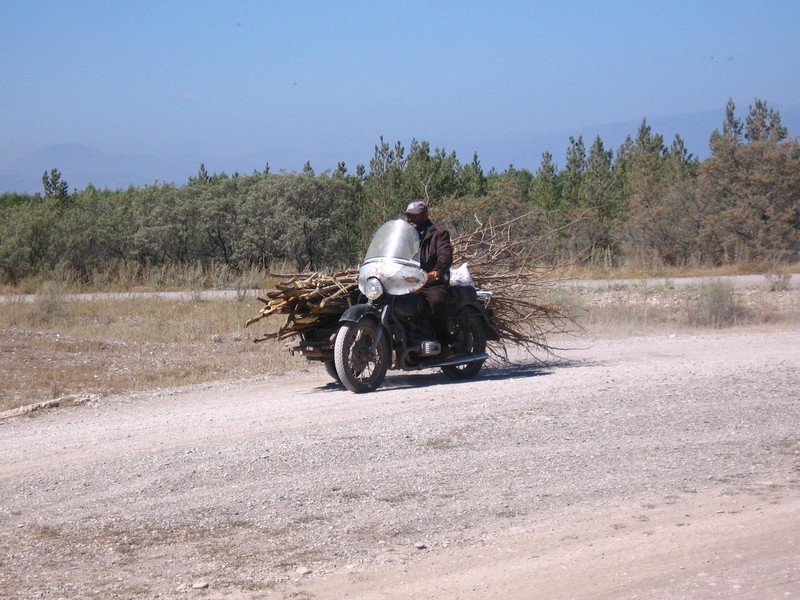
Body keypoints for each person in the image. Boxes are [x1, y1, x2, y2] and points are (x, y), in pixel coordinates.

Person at [404, 200, 454, 354]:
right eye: (408, 215)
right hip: (409, 281)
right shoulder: (405, 235)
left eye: (414, 216)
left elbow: (445, 256)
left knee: (436, 302)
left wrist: (436, 272)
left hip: (433, 282)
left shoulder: (438, 234)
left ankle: (444, 344)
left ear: (425, 215)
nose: (410, 219)